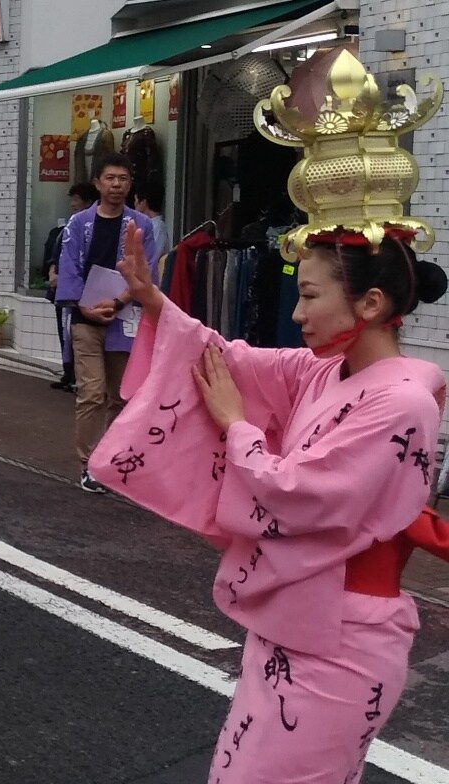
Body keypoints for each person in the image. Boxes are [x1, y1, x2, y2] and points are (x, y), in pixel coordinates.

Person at [90, 49, 449, 782]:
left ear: (371, 303)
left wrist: (235, 427)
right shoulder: (326, 371)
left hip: (344, 634)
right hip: (297, 619)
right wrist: (156, 301)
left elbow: (301, 494)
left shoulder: (403, 399)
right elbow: (230, 357)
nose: (297, 311)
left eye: (312, 295)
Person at [54, 153, 157, 493]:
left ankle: (112, 460)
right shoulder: (77, 224)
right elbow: (68, 269)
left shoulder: (141, 226)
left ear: (130, 184)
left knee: (119, 395)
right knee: (91, 392)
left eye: (123, 179)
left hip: (123, 317)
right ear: (97, 182)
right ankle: (88, 463)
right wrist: (85, 308)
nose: (116, 185)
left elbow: (147, 272)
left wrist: (118, 301)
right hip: (85, 319)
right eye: (110, 178)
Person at [44, 182, 99, 394]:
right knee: (64, 332)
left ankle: (78, 376)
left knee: (75, 334)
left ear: (88, 202)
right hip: (61, 289)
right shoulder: (71, 224)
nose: (73, 204)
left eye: (77, 200)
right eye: (72, 199)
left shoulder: (91, 225)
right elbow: (56, 252)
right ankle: (68, 373)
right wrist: (52, 271)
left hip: (79, 292)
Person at [134, 182, 171, 266]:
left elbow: (151, 258)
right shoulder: (148, 225)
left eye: (135, 200)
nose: (134, 205)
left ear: (143, 202)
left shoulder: (158, 227)